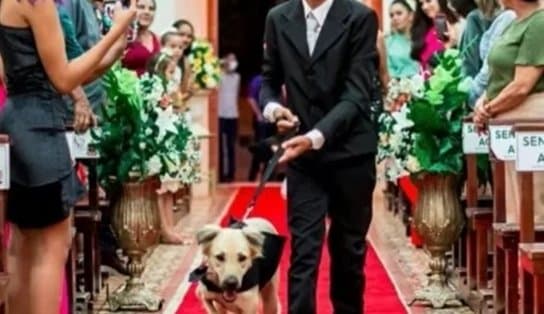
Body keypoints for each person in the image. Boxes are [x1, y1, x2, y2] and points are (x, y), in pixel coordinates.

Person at [0, 1, 136, 314]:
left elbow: (42, 73)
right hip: (40, 129)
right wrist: (114, 29)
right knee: (51, 248)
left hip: (16, 121)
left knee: (22, 246)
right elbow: (62, 79)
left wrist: (112, 50)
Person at [260, 0, 378, 312]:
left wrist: (315, 137)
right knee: (304, 251)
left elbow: (357, 94)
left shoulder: (360, 18)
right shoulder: (278, 17)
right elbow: (269, 79)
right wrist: (274, 109)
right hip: (305, 159)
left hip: (351, 152)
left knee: (348, 252)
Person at [61, 0, 129, 274]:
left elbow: (94, 65)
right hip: (70, 115)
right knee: (84, 192)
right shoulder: (71, 4)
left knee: (102, 183)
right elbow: (66, 61)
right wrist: (79, 100)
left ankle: (102, 251)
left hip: (91, 109)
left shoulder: (93, 8)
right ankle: (92, 254)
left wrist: (119, 41)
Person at [473, 0, 544, 223]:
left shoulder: (539, 22)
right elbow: (498, 75)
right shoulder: (513, 22)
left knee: (532, 209)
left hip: (529, 120)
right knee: (512, 210)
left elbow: (522, 85)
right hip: (507, 122)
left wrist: (489, 109)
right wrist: (483, 102)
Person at [218, 53, 241, 183]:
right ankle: (221, 174)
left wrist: (227, 64)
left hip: (233, 114)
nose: (232, 62)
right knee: (220, 147)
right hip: (220, 114)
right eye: (230, 60)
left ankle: (231, 173)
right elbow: (216, 67)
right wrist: (223, 62)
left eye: (234, 60)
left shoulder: (237, 77)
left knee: (231, 145)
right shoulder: (219, 76)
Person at [122, 0, 160, 76]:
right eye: (141, 7)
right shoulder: (123, 37)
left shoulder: (158, 39)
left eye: (151, 9)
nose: (147, 12)